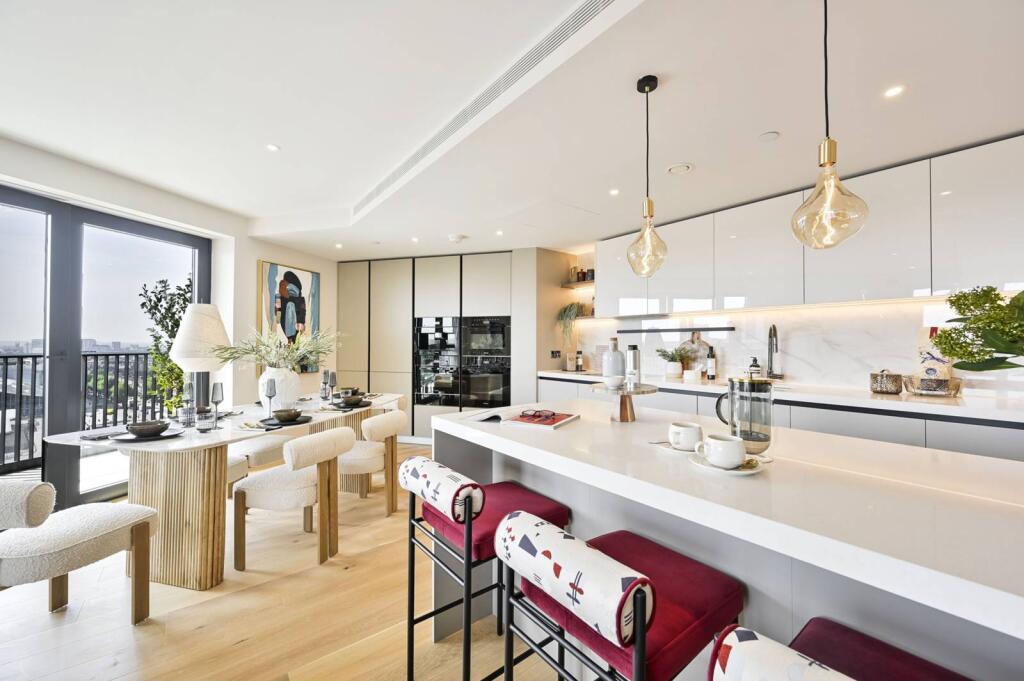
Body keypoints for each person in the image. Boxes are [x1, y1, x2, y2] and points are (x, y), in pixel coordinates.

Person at [275, 271, 306, 343]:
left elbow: (302, 314)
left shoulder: (298, 299)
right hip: (288, 324)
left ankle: (292, 341)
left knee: (292, 339)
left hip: (292, 326)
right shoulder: (280, 297)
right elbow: (278, 312)